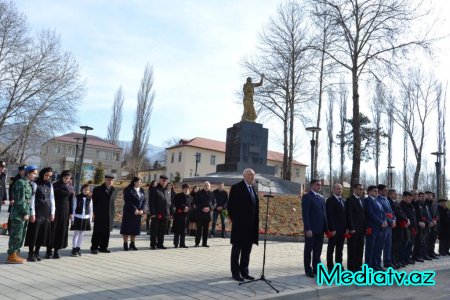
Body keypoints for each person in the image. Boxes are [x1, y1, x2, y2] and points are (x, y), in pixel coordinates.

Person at [228, 168, 259, 282]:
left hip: (251, 227)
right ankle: (235, 273)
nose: (253, 177)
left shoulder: (254, 188)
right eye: (251, 175)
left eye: (254, 175)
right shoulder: (236, 188)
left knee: (247, 250)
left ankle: (244, 271)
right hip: (239, 226)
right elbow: (231, 207)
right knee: (237, 250)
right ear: (245, 175)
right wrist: (236, 221)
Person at [6, 165, 38, 264]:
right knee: (16, 235)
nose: (35, 175)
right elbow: (20, 200)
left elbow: (29, 200)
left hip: (23, 213)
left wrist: (29, 211)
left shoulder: (28, 183)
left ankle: (16, 253)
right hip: (18, 213)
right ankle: (12, 255)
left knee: (21, 234)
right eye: (33, 173)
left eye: (36, 174)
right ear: (27, 173)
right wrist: (25, 212)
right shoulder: (21, 183)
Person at [25, 167, 55, 262]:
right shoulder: (34, 184)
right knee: (34, 233)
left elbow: (52, 199)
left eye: (50, 176)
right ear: (42, 174)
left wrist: (52, 212)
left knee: (42, 233)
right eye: (46, 175)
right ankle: (30, 253)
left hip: (46, 211)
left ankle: (37, 252)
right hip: (37, 211)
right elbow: (32, 200)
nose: (48, 177)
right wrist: (32, 213)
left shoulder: (50, 185)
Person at [301, 179, 327, 278]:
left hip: (320, 229)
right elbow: (305, 214)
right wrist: (307, 229)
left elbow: (324, 214)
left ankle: (316, 268)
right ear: (312, 185)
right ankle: (308, 269)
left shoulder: (321, 198)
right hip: (311, 230)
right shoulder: (307, 197)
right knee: (308, 250)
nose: (319, 186)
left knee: (318, 250)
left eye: (320, 185)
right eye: (317, 185)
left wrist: (326, 228)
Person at [47, 170, 74, 259]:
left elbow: (71, 200)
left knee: (61, 230)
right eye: (66, 178)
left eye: (69, 178)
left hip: (65, 211)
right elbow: (50, 198)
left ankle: (57, 250)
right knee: (52, 230)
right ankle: (49, 250)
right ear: (62, 177)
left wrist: (71, 212)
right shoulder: (55, 185)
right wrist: (51, 210)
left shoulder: (70, 187)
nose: (67, 180)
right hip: (55, 210)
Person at [90, 174, 117, 254]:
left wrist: (113, 214)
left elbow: (112, 203)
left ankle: (103, 247)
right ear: (105, 180)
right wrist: (93, 213)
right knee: (97, 231)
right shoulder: (97, 189)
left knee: (107, 231)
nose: (110, 182)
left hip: (109, 214)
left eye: (112, 180)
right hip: (99, 213)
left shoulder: (114, 190)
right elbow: (93, 202)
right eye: (108, 180)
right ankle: (94, 247)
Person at [364, 185, 387, 271]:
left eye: (377, 191)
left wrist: (384, 221)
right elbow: (370, 213)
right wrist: (381, 222)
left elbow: (383, 212)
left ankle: (376, 265)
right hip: (372, 228)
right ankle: (368, 267)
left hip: (380, 228)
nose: (376, 193)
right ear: (369, 192)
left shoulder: (378, 201)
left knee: (378, 248)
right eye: (374, 191)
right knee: (370, 248)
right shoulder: (367, 200)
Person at [326, 183, 347, 271]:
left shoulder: (343, 200)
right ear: (333, 189)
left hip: (342, 230)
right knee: (331, 248)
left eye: (341, 189)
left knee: (340, 249)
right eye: (338, 189)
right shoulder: (330, 200)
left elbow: (345, 216)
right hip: (334, 229)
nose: (340, 190)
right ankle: (330, 267)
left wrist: (346, 228)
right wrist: (332, 229)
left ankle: (339, 265)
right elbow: (329, 216)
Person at [120, 177, 145, 251]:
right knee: (126, 229)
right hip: (129, 212)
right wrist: (135, 209)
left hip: (138, 213)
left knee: (134, 229)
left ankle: (132, 244)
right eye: (139, 182)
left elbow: (144, 201)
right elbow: (127, 201)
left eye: (141, 182)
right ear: (134, 182)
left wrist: (142, 210)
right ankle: (125, 244)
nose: (140, 183)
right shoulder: (128, 190)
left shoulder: (141, 190)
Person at [346, 183, 365, 272]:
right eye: (359, 189)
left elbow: (363, 215)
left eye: (362, 189)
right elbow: (349, 215)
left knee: (360, 248)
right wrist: (351, 227)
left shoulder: (362, 200)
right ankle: (351, 267)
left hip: (361, 229)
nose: (361, 191)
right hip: (353, 229)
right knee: (352, 248)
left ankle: (358, 265)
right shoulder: (350, 200)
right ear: (354, 189)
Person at [149, 175, 171, 249]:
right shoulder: (154, 189)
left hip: (165, 214)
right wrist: (153, 213)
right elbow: (151, 202)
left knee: (162, 230)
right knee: (154, 230)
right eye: (163, 180)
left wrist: (169, 213)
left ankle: (160, 244)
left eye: (166, 181)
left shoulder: (167, 190)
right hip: (156, 214)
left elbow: (168, 203)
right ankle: (153, 244)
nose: (165, 182)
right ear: (160, 180)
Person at [387, 189, 408, 269]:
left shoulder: (395, 202)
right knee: (394, 246)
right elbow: (396, 213)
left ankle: (396, 261)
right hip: (395, 227)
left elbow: (402, 212)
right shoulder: (390, 203)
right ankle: (392, 261)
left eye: (396, 194)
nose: (396, 195)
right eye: (394, 194)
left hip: (400, 227)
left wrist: (406, 219)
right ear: (390, 195)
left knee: (398, 246)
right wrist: (405, 220)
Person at [377, 184, 396, 269]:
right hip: (384, 226)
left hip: (389, 226)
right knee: (380, 245)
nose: (386, 192)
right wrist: (390, 221)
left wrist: (394, 220)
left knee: (388, 244)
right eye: (385, 190)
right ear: (380, 191)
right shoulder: (378, 200)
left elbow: (391, 212)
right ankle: (377, 263)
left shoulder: (387, 200)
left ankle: (387, 261)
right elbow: (382, 213)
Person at [71, 184, 93, 256]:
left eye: (88, 190)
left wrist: (90, 219)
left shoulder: (90, 199)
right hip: (77, 217)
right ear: (82, 189)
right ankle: (74, 248)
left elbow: (90, 209)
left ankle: (78, 248)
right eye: (85, 189)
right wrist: (73, 219)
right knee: (76, 233)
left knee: (82, 234)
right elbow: (74, 208)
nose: (86, 191)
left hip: (85, 218)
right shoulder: (77, 197)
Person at [7, 165, 27, 235]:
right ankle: (10, 230)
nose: (25, 172)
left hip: (21, 201)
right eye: (24, 170)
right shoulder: (15, 178)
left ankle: (16, 230)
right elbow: (11, 190)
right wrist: (11, 199)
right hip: (15, 200)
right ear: (20, 171)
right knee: (12, 215)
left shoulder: (25, 179)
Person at [193, 181, 214, 247]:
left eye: (208, 185)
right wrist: (202, 208)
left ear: (210, 186)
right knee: (199, 230)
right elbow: (195, 202)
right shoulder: (199, 193)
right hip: (200, 214)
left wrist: (210, 208)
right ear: (203, 186)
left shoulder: (212, 193)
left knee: (206, 230)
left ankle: (204, 243)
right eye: (205, 185)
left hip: (207, 215)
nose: (206, 186)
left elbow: (214, 203)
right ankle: (197, 243)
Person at [400, 191, 417, 266]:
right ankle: (402, 259)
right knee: (405, 244)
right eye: (409, 198)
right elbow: (403, 217)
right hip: (405, 228)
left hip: (412, 227)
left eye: (411, 198)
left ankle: (407, 257)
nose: (410, 199)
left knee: (410, 244)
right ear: (404, 197)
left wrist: (414, 227)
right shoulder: (401, 205)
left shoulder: (411, 206)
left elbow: (413, 217)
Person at [172, 183, 190, 248]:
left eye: (188, 189)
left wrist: (188, 208)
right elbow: (175, 203)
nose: (186, 190)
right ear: (182, 189)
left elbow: (192, 205)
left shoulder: (190, 197)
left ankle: (182, 244)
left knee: (184, 230)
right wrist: (184, 207)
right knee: (177, 230)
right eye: (185, 189)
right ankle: (176, 243)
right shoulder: (178, 195)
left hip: (186, 216)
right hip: (179, 215)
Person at [425, 191, 439, 259]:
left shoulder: (432, 204)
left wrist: (435, 220)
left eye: (431, 195)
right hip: (428, 224)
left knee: (433, 239)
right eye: (428, 195)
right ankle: (426, 253)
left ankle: (431, 252)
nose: (430, 196)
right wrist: (429, 221)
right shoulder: (425, 204)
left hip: (434, 224)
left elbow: (435, 214)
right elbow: (425, 214)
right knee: (427, 240)